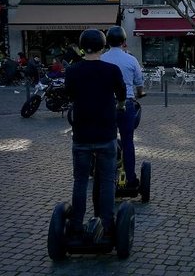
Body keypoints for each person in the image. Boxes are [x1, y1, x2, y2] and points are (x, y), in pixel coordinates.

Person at [64, 29, 126, 243]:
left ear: (82, 47)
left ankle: (75, 227)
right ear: (102, 46)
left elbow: (69, 95)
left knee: (80, 181)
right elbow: (121, 95)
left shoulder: (72, 71)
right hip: (106, 134)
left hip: (81, 135)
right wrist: (120, 105)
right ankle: (107, 226)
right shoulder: (112, 70)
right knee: (107, 181)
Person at [101, 26, 146, 189]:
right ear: (124, 41)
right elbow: (139, 85)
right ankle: (131, 179)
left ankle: (107, 176)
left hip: (106, 105)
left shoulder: (102, 59)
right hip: (126, 103)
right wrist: (140, 93)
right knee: (128, 142)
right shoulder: (131, 60)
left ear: (107, 42)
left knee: (108, 141)